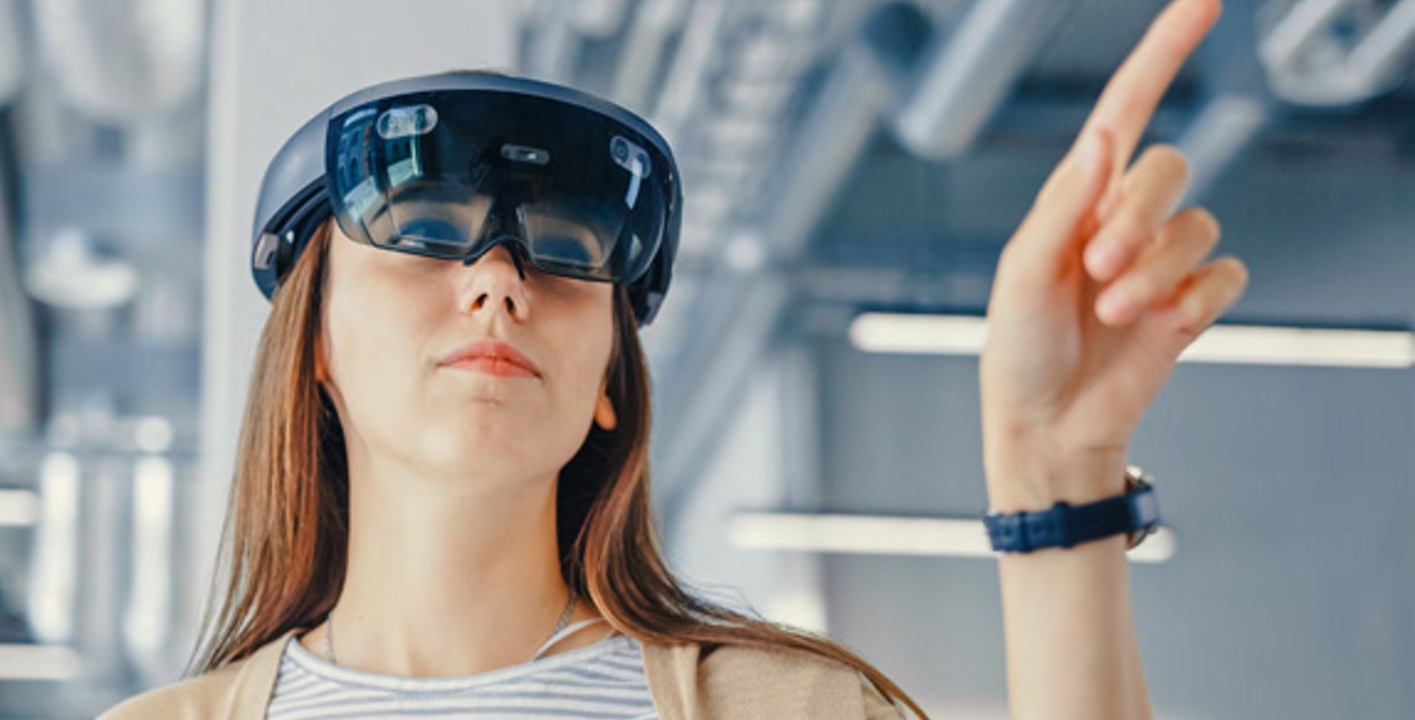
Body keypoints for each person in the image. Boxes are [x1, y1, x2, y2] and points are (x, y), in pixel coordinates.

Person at [100, 0, 1247, 717]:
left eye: (562, 252)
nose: (498, 277)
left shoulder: (789, 712)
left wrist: (1052, 474)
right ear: (312, 348)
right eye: (424, 230)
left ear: (607, 379)